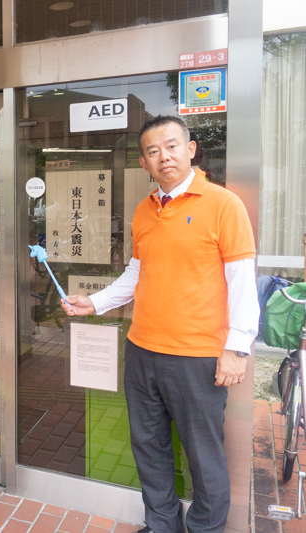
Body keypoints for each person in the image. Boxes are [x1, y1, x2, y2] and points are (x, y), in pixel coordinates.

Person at [62, 115, 258, 533]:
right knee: (149, 446)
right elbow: (137, 272)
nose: (163, 156)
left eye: (171, 146)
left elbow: (242, 281)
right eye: (153, 151)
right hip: (142, 350)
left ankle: (205, 528)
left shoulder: (224, 204)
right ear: (144, 163)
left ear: (190, 149)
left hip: (197, 357)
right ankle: (161, 524)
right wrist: (94, 303)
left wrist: (237, 348)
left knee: (203, 455)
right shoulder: (144, 210)